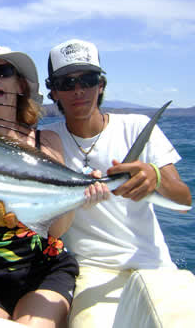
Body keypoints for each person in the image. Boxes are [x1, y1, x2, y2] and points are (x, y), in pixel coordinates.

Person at [0, 45, 107, 328]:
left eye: (3, 71)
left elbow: (54, 229)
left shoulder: (47, 142)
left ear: (19, 86)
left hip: (44, 272)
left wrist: (79, 198)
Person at [43, 38, 192, 327]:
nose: (78, 90)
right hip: (88, 271)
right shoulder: (48, 142)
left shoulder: (136, 126)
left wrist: (154, 177)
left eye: (87, 79)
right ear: (53, 92)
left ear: (101, 85)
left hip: (155, 267)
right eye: (66, 82)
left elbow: (184, 201)